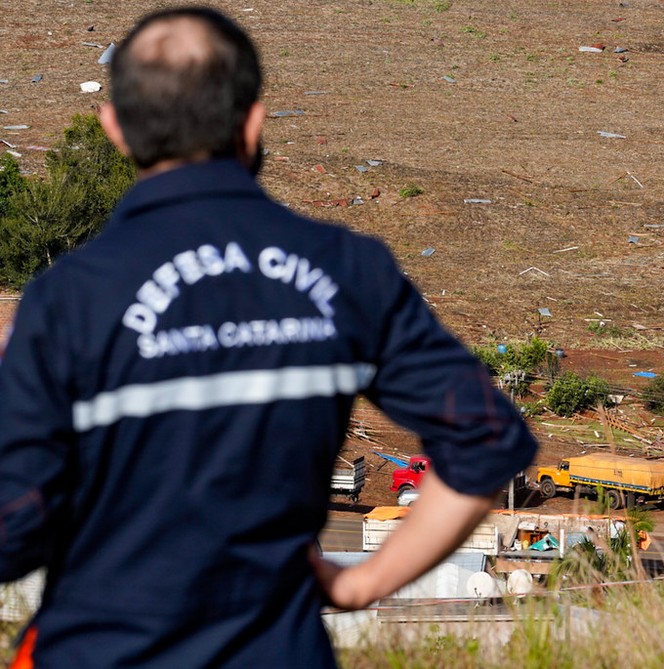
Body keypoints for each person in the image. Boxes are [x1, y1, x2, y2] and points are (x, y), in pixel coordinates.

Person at [0, 6, 537, 667]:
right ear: (253, 120)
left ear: (115, 130)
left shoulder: (70, 297)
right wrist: (362, 580)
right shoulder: (347, 270)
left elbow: (12, 530)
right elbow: (488, 438)